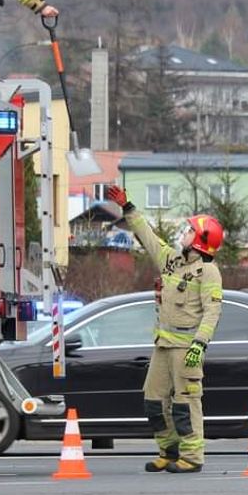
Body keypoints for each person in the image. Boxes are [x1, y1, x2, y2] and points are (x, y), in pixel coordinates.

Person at [105, 185, 224, 474]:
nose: (182, 235)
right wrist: (127, 207)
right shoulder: (171, 259)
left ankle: (192, 457)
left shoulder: (207, 271)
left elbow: (213, 310)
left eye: (188, 232)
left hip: (186, 349)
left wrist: (199, 345)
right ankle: (169, 451)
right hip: (164, 344)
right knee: (153, 400)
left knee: (186, 404)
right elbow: (147, 236)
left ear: (199, 241)